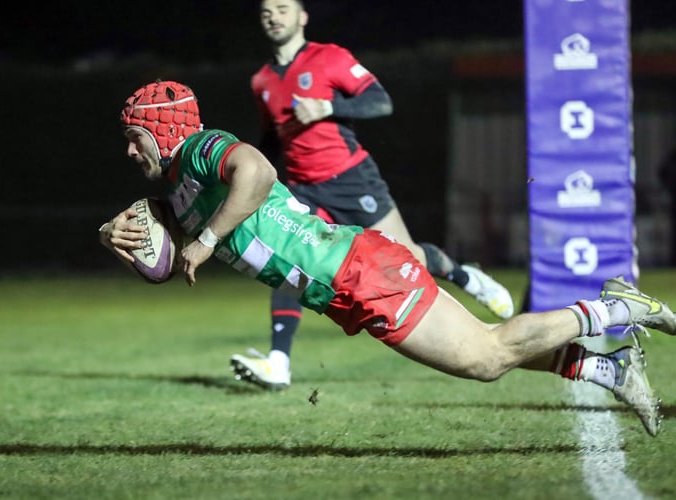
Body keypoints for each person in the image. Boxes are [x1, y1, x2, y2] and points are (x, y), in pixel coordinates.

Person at [100, 80, 675, 437]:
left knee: (485, 355)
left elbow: (258, 170)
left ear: (163, 129)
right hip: (344, 287)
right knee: (474, 353)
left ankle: (610, 311)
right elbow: (167, 267)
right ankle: (610, 368)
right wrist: (117, 242)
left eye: (135, 137)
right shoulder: (173, 193)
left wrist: (204, 240)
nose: (128, 150)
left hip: (357, 270)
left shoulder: (200, 150)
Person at [230, 0, 514, 391]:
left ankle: (467, 276)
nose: (274, 16)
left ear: (302, 16)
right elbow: (269, 140)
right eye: (266, 12)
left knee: (408, 256)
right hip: (301, 188)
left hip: (350, 179)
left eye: (283, 8)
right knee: (289, 264)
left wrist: (327, 107)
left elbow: (379, 101)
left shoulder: (329, 58)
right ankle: (279, 363)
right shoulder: (261, 81)